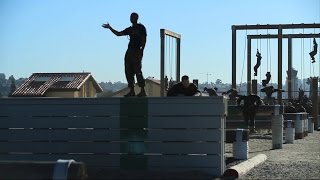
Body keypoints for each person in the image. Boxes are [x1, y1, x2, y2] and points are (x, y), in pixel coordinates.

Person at [103, 12, 147, 97]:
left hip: (137, 51)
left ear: (137, 18)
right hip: (129, 51)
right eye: (131, 17)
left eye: (133, 17)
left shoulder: (141, 27)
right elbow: (118, 34)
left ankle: (142, 90)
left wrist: (142, 50)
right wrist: (110, 28)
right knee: (128, 71)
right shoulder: (129, 29)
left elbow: (144, 39)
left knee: (138, 70)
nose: (131, 18)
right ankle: (132, 90)